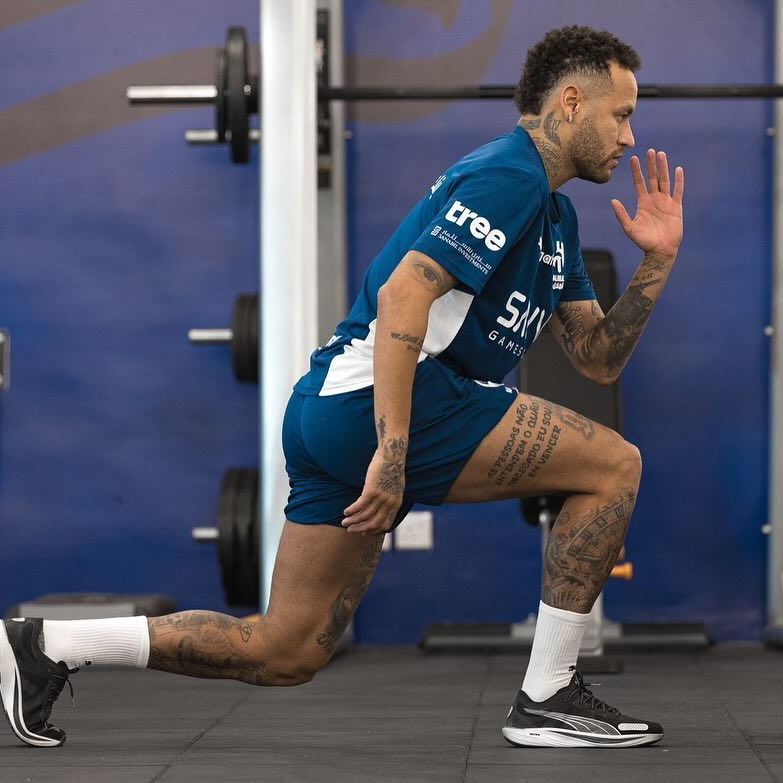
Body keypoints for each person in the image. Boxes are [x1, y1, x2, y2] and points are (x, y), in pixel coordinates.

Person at [0, 25, 683, 749]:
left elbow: (596, 358)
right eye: (620, 114)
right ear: (571, 102)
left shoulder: (554, 216)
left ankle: (46, 645)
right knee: (613, 466)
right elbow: (402, 295)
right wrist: (392, 451)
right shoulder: (508, 176)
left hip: (329, 410)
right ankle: (547, 694)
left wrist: (657, 261)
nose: (629, 136)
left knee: (285, 650)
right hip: (384, 401)